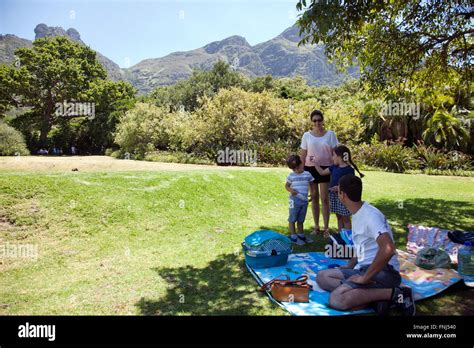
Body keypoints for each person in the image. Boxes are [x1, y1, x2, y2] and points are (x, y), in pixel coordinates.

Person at [315, 174, 416, 315]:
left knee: (337, 299)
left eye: (339, 191)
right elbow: (362, 244)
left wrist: (364, 278)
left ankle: (397, 294)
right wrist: (350, 266)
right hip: (364, 269)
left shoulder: (371, 216)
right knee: (322, 277)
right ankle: (375, 299)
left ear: (342, 195)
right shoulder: (357, 212)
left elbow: (388, 248)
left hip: (384, 273)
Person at [300, 110, 339, 238]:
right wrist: (300, 170)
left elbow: (335, 153)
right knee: (314, 197)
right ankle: (316, 227)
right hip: (310, 168)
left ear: (323, 120)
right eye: (314, 120)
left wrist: (337, 166)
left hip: (325, 168)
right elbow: (303, 153)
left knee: (324, 198)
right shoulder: (307, 135)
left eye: (319, 120)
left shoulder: (330, 134)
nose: (317, 122)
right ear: (312, 121)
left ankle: (326, 228)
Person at [314, 145, 364, 234]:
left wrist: (339, 188)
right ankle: (341, 236)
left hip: (344, 197)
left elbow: (351, 184)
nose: (332, 157)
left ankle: (348, 239)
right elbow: (322, 173)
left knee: (346, 219)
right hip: (334, 196)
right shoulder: (333, 167)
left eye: (333, 155)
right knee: (339, 217)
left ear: (339, 157)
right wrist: (315, 164)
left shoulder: (349, 170)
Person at [285, 155, 316, 245]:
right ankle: (293, 237)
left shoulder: (307, 174)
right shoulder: (291, 176)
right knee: (292, 218)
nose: (296, 170)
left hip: (304, 201)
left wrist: (313, 195)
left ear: (302, 163)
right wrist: (291, 190)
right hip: (293, 200)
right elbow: (286, 186)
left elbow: (312, 185)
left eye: (298, 167)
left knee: (301, 219)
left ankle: (301, 235)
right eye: (294, 169)